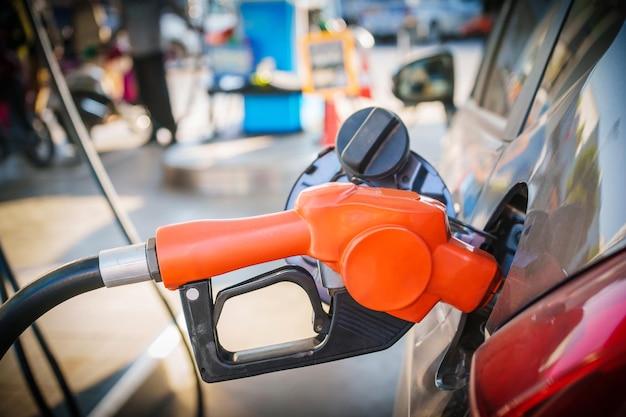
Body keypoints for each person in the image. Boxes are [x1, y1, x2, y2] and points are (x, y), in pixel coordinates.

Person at [120, 0, 186, 146]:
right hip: (136, 51)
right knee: (145, 93)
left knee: (159, 92)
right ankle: (154, 127)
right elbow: (123, 22)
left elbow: (174, 7)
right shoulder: (126, 3)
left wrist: (190, 23)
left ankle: (171, 127)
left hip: (153, 50)